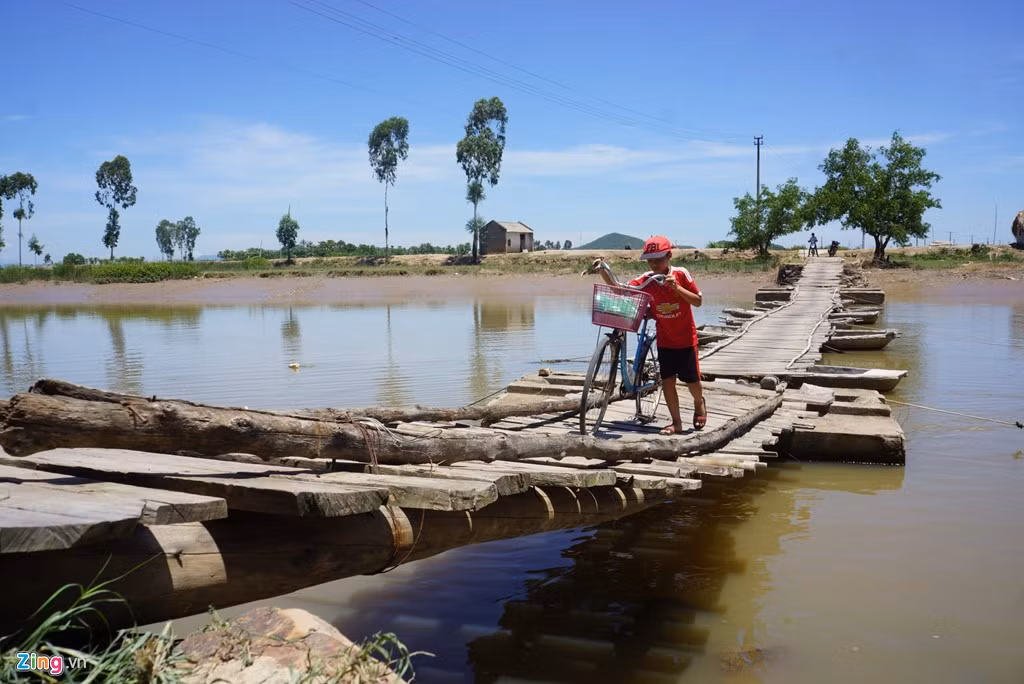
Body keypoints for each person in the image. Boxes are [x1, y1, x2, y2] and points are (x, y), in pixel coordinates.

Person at [591, 235, 706, 434]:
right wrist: (602, 270)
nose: (653, 264)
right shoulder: (647, 279)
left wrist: (676, 288)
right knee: (668, 381)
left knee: (692, 381)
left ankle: (699, 403)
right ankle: (676, 423)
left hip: (686, 338)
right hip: (665, 340)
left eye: (658, 259)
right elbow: (620, 289)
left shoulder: (681, 274)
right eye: (650, 260)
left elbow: (697, 301)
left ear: (669, 256)